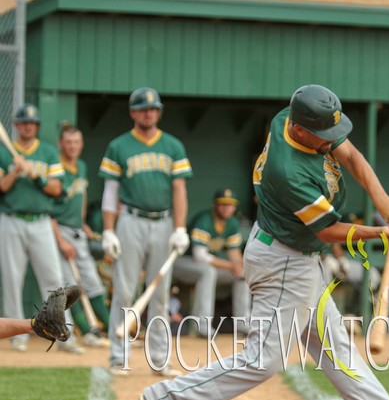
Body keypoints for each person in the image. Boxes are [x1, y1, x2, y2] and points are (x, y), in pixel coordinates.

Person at [137, 84, 389, 400]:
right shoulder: (289, 171)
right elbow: (328, 231)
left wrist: (382, 200)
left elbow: (350, 154)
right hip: (283, 262)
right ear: (299, 130)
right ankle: (163, 399)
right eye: (323, 134)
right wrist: (379, 232)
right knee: (262, 360)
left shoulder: (290, 118)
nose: (331, 141)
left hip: (296, 256)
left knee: (334, 345)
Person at [99, 87, 192, 376]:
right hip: (131, 220)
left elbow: (179, 189)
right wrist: (108, 231)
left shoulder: (173, 146)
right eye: (143, 109)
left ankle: (160, 359)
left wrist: (180, 227)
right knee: (125, 290)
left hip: (164, 222)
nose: (148, 113)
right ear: (133, 113)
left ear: (158, 112)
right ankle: (119, 357)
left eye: (153, 109)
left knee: (160, 294)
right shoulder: (119, 146)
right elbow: (110, 192)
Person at [0, 103, 73, 352]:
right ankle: (18, 336)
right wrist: (15, 171)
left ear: (37, 126)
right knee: (12, 279)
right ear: (17, 125)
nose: (28, 126)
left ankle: (62, 330)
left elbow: (56, 188)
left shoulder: (48, 152)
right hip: (12, 220)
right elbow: (2, 187)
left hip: (42, 221)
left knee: (53, 279)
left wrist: (36, 176)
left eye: (32, 123)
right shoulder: (4, 153)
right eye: (23, 123)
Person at [50, 124, 110, 348]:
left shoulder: (81, 166)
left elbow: (81, 195)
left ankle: (109, 329)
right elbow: (48, 210)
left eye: (76, 142)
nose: (73, 146)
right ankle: (86, 331)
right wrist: (60, 241)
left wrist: (82, 221)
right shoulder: (55, 168)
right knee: (70, 284)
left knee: (92, 281)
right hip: (59, 229)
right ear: (60, 144)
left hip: (77, 230)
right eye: (68, 142)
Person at [172, 188, 250, 336]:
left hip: (206, 266)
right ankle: (202, 325)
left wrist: (240, 267)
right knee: (208, 272)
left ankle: (243, 323)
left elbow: (233, 252)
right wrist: (230, 266)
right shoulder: (204, 220)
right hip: (181, 263)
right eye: (223, 204)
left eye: (230, 205)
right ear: (215, 205)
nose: (226, 208)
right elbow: (200, 256)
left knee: (241, 275)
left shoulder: (232, 222)